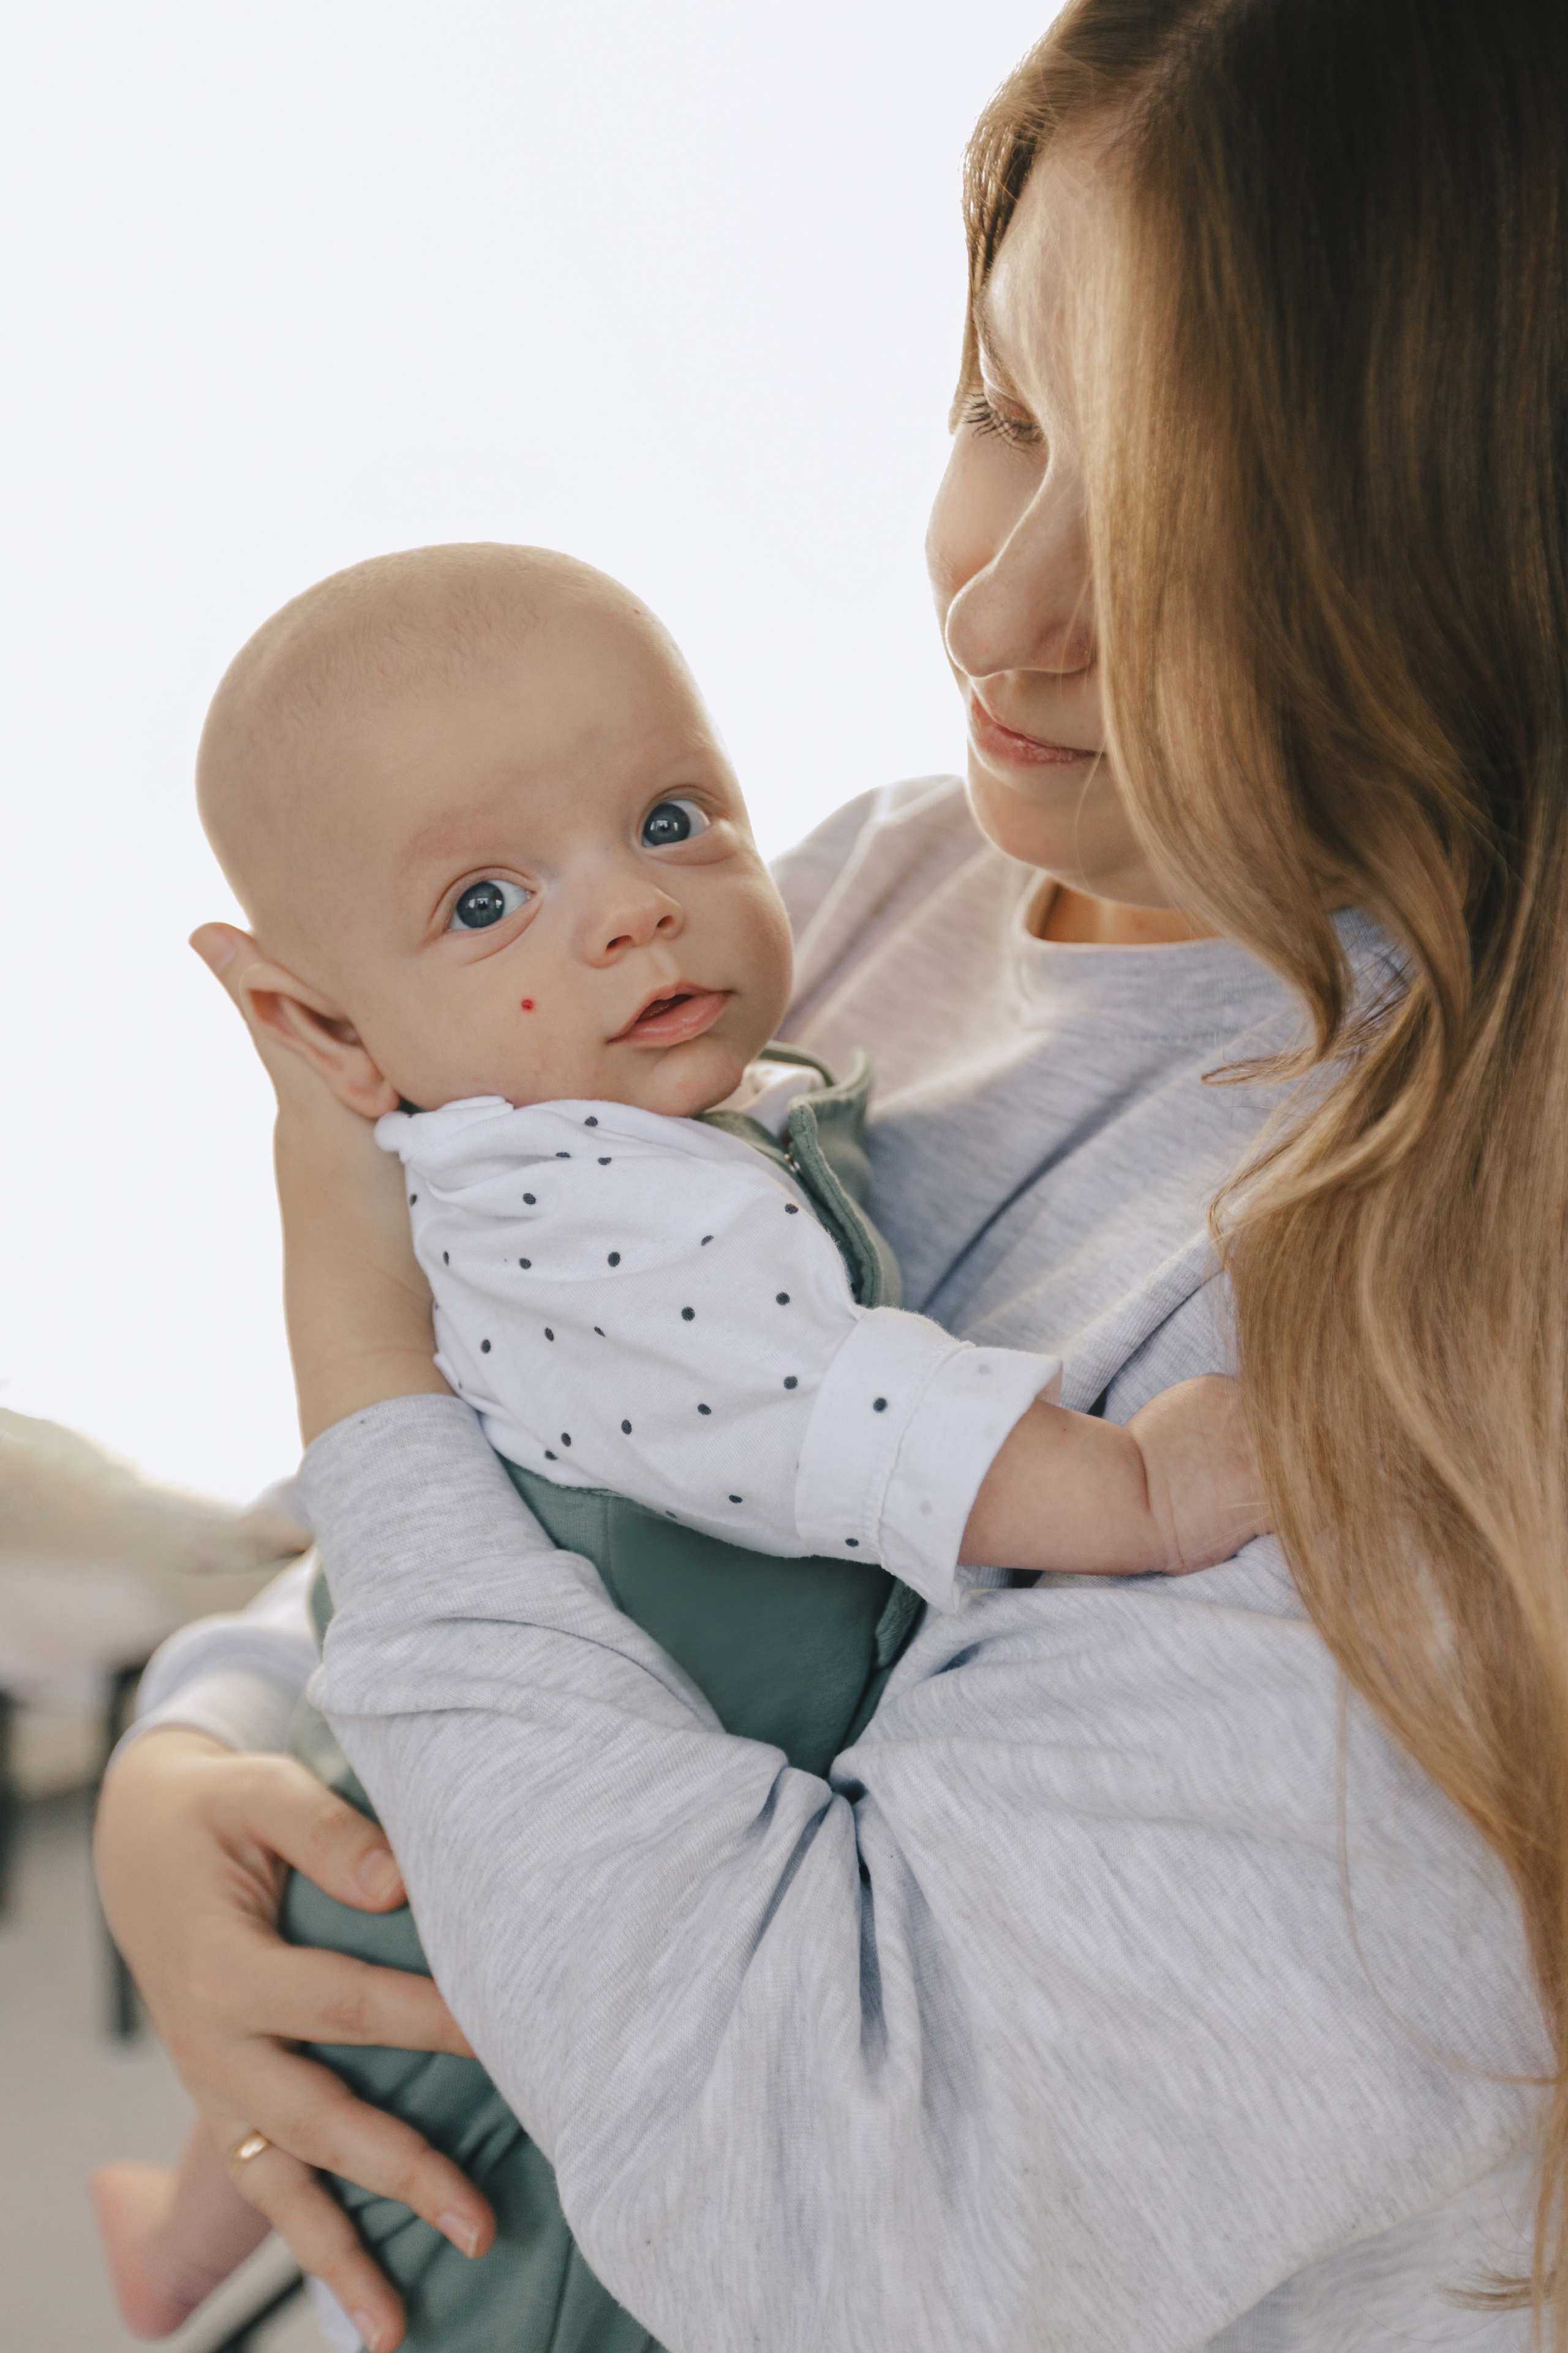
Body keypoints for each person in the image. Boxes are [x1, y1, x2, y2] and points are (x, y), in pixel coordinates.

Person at [94, 0, 1568, 2344]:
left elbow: (845, 2224)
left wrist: (354, 1371)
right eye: (1003, 411)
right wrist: (207, 1745)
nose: (996, 609)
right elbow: (561, 1445)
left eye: (1182, 507)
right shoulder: (878, 890)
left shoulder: (1457, 1275)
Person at [94, 538, 1262, 2345]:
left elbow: (408, 1445)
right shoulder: (610, 1166)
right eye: (485, 903)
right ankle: (183, 2230)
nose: (629, 912)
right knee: (408, 2121)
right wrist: (1141, 1483)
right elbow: (837, 1418)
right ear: (324, 1028)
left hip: (533, 1771)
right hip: (493, 1793)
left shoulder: (638, 1060)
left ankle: (174, 2230)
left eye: (668, 814)